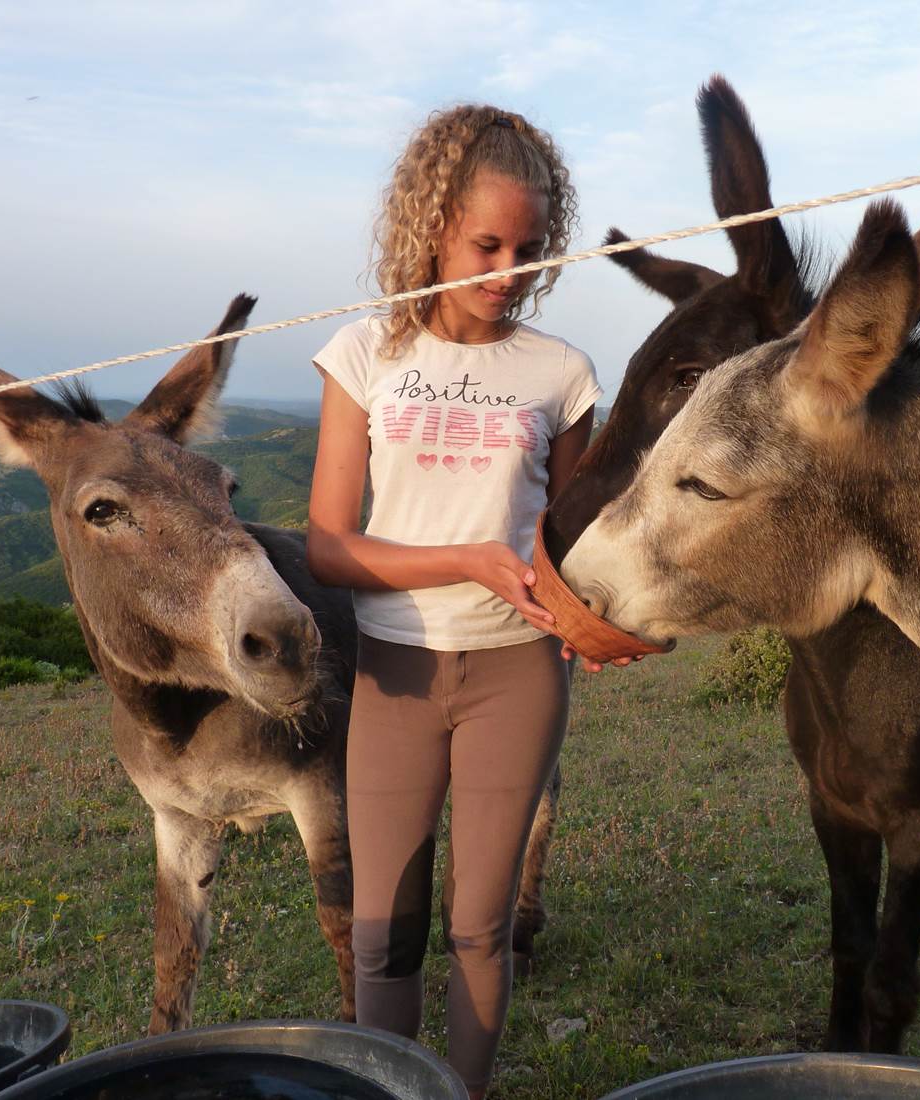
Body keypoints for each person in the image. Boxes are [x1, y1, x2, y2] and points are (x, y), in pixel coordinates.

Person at [305, 104, 600, 1098]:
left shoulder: (559, 374)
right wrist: (466, 558)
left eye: (527, 248)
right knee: (385, 930)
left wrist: (588, 618)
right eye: (485, 243)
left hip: (516, 674)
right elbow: (328, 545)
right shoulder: (363, 356)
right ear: (432, 226)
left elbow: (570, 545)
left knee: (481, 923)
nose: (506, 269)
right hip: (393, 670)